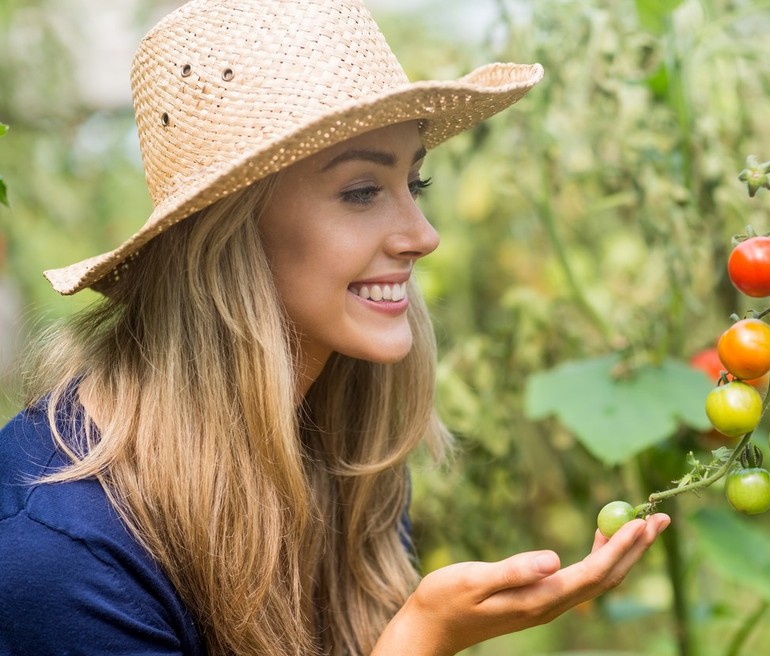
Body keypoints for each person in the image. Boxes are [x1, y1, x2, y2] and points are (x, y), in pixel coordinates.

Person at [0, 1, 671, 654]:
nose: (423, 235)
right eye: (361, 191)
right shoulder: (64, 557)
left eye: (416, 183)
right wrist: (422, 638)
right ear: (228, 236)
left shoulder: (343, 449)